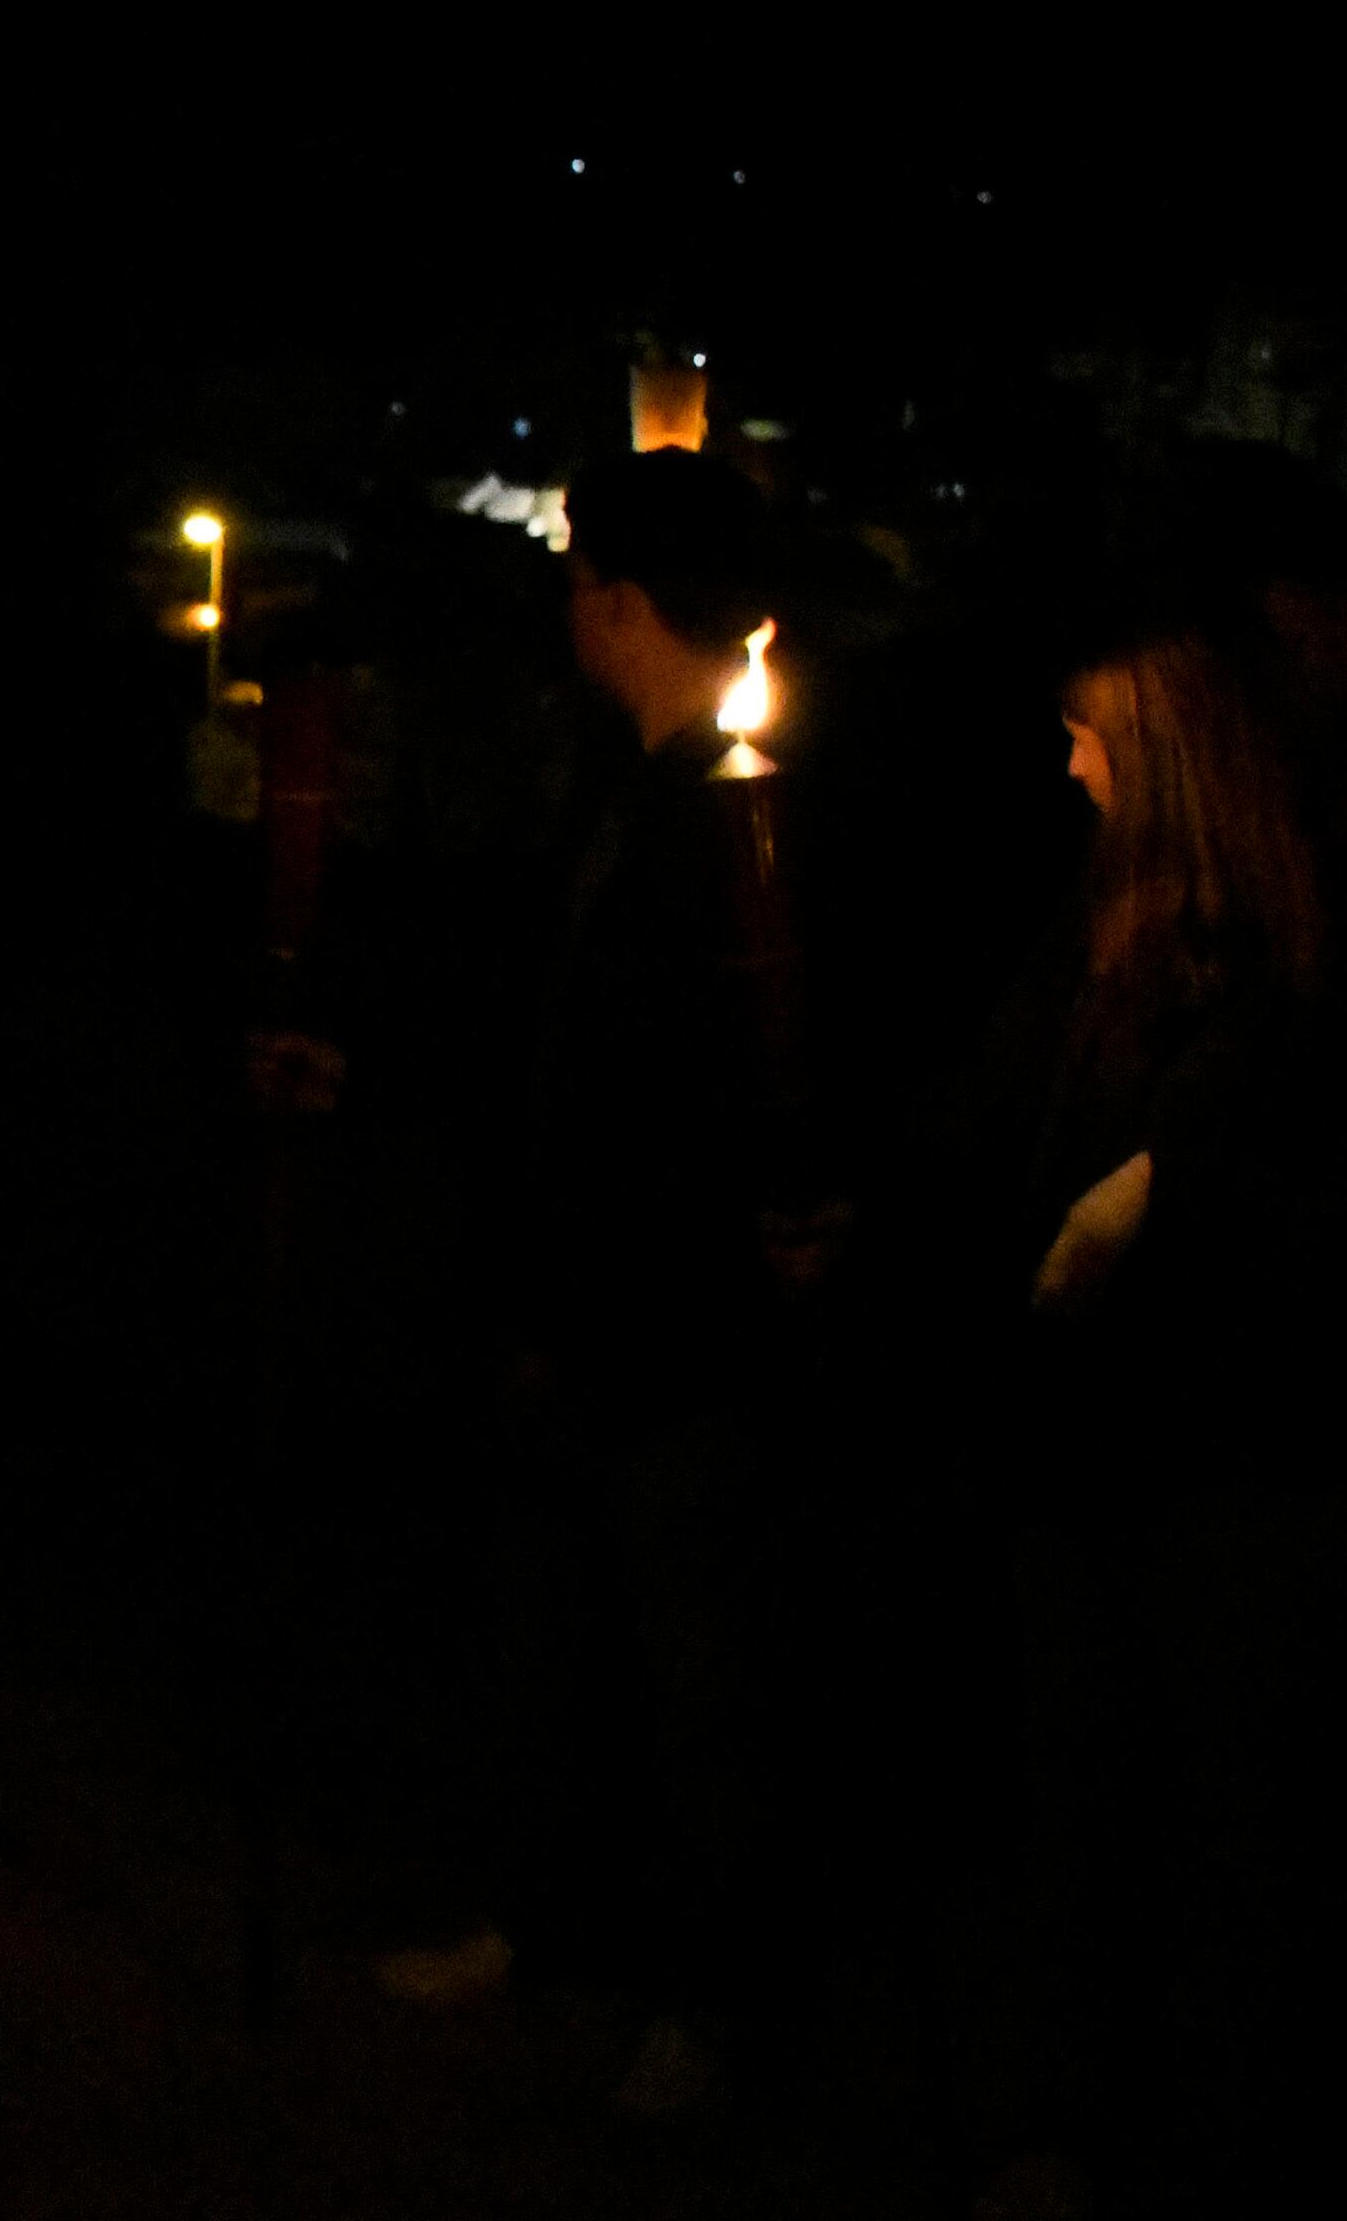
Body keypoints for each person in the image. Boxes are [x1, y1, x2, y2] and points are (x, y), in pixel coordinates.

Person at [979, 626, 1347, 2210]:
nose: (1070, 768)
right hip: (1100, 1460)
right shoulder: (1104, 926)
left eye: (1093, 737)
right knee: (1091, 1805)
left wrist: (1172, 1203)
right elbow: (1012, 1121)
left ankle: (1223, 2140)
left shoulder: (1336, 958)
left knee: (1239, 1839)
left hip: (1253, 1473)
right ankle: (1084, 2115)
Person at [461, 448, 795, 2117]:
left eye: (580, 584)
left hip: (673, 1317)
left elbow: (698, 1090)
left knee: (698, 1669)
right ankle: (563, 1924)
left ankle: (712, 1999)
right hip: (598, 1299)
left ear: (617, 605)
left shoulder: (723, 814)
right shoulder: (629, 789)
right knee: (580, 1636)